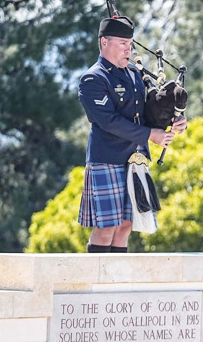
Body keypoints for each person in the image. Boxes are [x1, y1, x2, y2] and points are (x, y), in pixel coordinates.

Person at [77, 15, 187, 253]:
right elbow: (109, 121)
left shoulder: (133, 74)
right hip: (107, 158)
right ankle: (97, 284)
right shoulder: (93, 78)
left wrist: (174, 119)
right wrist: (150, 135)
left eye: (130, 44)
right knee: (106, 227)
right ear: (104, 42)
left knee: (126, 225)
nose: (128, 49)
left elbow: (147, 111)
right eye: (122, 43)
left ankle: (114, 285)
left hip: (136, 158)